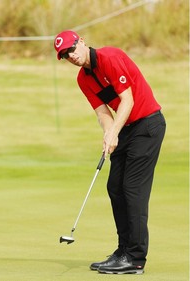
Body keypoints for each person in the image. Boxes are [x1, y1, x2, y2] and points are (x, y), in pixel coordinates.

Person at [54, 30, 166, 275]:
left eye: (72, 49)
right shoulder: (83, 80)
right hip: (125, 129)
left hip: (147, 125)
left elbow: (127, 100)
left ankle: (135, 258)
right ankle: (123, 250)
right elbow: (103, 113)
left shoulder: (110, 57)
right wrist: (109, 133)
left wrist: (115, 131)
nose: (71, 56)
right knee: (115, 187)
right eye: (65, 55)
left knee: (132, 189)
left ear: (81, 41)